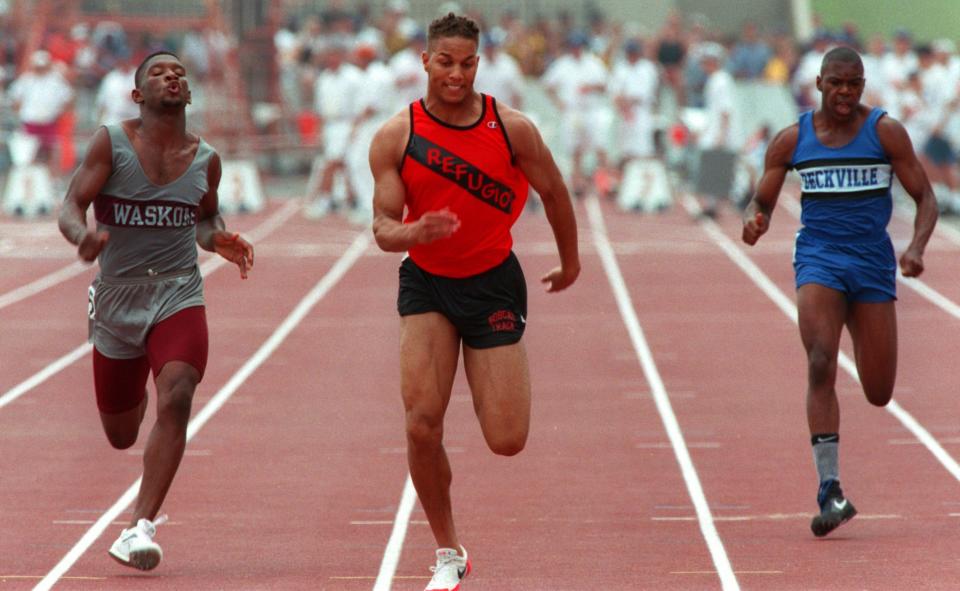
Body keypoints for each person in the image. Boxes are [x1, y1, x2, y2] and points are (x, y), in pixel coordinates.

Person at [368, 13, 579, 591]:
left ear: (478, 64)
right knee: (420, 423)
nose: (455, 74)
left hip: (492, 282)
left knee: (507, 440)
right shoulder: (397, 135)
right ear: (426, 62)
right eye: (445, 62)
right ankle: (447, 550)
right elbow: (383, 227)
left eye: (466, 63)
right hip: (427, 283)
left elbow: (555, 193)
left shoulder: (511, 129)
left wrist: (572, 260)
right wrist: (414, 234)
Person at [57, 51, 254, 570]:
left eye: (181, 74)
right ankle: (136, 360)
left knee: (180, 393)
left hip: (177, 292)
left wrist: (220, 240)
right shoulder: (112, 142)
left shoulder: (206, 157)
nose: (173, 77)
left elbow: (206, 219)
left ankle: (138, 525)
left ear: (188, 95)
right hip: (118, 297)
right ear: (138, 95)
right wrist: (83, 237)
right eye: (159, 73)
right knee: (121, 435)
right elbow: (70, 205)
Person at [741, 46, 938, 538]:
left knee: (878, 391)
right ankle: (830, 487)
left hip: (872, 263)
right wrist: (756, 219)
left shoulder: (884, 132)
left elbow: (925, 197)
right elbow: (761, 197)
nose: (845, 93)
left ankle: (833, 478)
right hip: (820, 260)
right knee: (820, 360)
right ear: (820, 84)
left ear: (863, 84)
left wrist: (914, 247)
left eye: (854, 84)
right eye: (836, 84)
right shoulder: (793, 140)